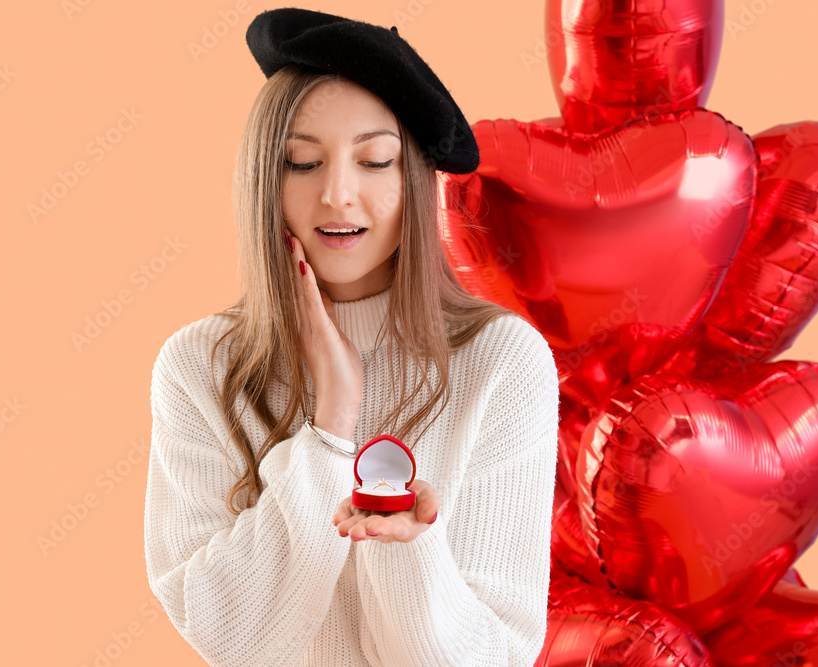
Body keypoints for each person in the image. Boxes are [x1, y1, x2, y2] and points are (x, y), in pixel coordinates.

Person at [143, 8, 560, 667]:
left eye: (375, 160)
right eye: (302, 163)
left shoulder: (501, 363)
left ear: (413, 180)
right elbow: (233, 639)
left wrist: (408, 547)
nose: (338, 194)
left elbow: (494, 657)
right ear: (264, 181)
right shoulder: (200, 365)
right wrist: (329, 426)